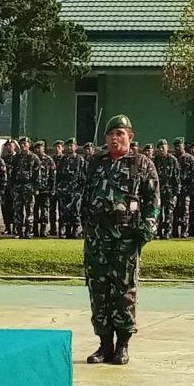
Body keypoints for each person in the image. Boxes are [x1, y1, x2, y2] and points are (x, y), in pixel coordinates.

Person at [81, 115, 158, 366]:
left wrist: (145, 231)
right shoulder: (95, 163)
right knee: (98, 292)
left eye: (120, 134)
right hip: (97, 240)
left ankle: (123, 344)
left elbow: (153, 202)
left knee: (124, 293)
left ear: (130, 137)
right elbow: (81, 194)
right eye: (111, 134)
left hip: (125, 239)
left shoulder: (142, 164)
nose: (115, 139)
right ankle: (104, 344)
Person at [10, 137, 41, 239]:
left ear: (29, 145)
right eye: (21, 144)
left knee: (29, 210)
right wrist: (11, 186)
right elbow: (12, 173)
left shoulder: (34, 157)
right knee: (17, 210)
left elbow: (37, 174)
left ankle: (28, 230)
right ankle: (19, 231)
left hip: (29, 187)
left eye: (25, 143)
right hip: (18, 186)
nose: (23, 145)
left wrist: (36, 188)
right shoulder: (16, 158)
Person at [55, 138, 85, 239]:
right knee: (64, 211)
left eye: (71, 145)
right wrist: (58, 188)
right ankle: (67, 230)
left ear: (76, 147)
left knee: (75, 211)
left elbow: (83, 176)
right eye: (68, 145)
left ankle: (75, 230)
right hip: (64, 190)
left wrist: (81, 190)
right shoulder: (63, 160)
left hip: (75, 190)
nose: (69, 147)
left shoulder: (80, 160)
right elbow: (58, 175)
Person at [153, 139, 180, 240]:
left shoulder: (173, 160)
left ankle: (167, 232)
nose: (161, 150)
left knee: (169, 212)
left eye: (163, 148)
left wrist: (176, 193)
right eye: (159, 148)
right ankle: (157, 231)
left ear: (167, 148)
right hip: (158, 191)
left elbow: (176, 178)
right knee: (157, 212)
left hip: (169, 191)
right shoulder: (156, 160)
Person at [172, 137, 194, 238]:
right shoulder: (172, 158)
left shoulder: (189, 158)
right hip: (174, 190)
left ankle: (184, 231)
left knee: (185, 211)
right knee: (174, 210)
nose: (178, 148)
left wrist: (191, 189)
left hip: (186, 189)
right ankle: (174, 231)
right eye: (176, 146)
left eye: (179, 145)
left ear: (183, 146)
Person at [32, 140, 56, 237]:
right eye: (36, 148)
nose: (38, 149)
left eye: (40, 147)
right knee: (34, 210)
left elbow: (52, 176)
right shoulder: (32, 158)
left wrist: (52, 188)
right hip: (34, 189)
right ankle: (35, 230)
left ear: (43, 148)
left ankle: (43, 230)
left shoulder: (49, 160)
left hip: (45, 190)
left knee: (44, 210)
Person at [1, 139, 18, 235]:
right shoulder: (3, 158)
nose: (8, 147)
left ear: (14, 147)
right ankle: (7, 227)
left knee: (15, 207)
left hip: (15, 187)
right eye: (7, 145)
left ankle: (15, 227)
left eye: (10, 145)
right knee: (5, 208)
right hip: (6, 187)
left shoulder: (18, 158)